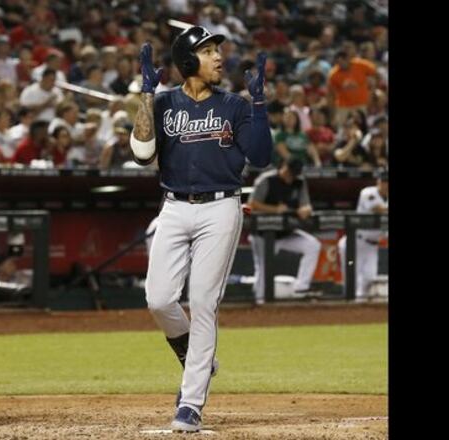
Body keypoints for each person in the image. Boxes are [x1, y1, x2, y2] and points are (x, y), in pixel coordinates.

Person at [130, 28, 272, 432]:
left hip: (221, 208)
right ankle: (196, 356)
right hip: (174, 207)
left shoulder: (234, 105)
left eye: (217, 51)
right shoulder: (163, 103)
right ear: (188, 61)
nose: (218, 58)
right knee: (158, 300)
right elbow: (142, 154)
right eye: (208, 51)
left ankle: (190, 403)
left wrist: (258, 104)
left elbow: (260, 156)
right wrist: (144, 95)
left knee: (204, 303)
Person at [248, 158, 321, 304]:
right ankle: (260, 303)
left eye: (294, 174)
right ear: (284, 168)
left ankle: (301, 288)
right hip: (263, 235)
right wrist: (275, 210)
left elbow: (306, 205)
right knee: (263, 269)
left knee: (313, 245)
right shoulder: (267, 180)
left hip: (286, 233)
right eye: (290, 173)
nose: (292, 177)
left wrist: (306, 209)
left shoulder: (299, 182)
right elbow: (252, 204)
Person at [338, 171, 388, 301]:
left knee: (369, 279)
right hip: (354, 244)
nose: (386, 185)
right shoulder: (368, 192)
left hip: (372, 247)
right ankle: (346, 311)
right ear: (378, 182)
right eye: (384, 182)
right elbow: (378, 209)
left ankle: (359, 311)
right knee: (351, 281)